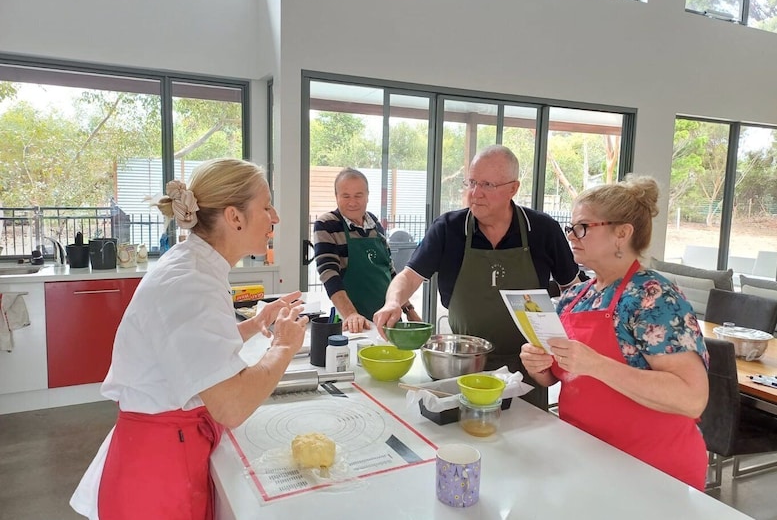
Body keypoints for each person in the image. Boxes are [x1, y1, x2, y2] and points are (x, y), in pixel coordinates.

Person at [70, 159, 308, 519]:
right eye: (266, 206)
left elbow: (193, 350)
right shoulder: (189, 284)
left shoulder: (194, 266)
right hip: (157, 478)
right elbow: (232, 406)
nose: (274, 217)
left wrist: (255, 322)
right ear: (235, 217)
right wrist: (284, 346)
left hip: (166, 453)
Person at [519, 174, 710, 490]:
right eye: (571, 227)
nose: (571, 235)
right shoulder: (575, 296)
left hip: (653, 471)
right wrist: (539, 366)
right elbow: (556, 377)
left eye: (583, 227)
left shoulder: (654, 296)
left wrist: (595, 364)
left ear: (622, 233)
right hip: (586, 458)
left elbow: (691, 397)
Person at [373, 145, 580, 409]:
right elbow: (409, 276)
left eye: (487, 185)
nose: (475, 194)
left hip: (529, 368)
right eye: (471, 182)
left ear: (513, 188)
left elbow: (574, 293)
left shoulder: (542, 230)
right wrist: (392, 302)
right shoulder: (448, 229)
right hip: (462, 367)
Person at [313, 168, 419, 333]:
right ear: (336, 197)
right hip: (357, 326)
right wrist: (351, 315)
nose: (352, 202)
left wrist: (410, 310)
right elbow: (328, 274)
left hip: (390, 320)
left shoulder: (375, 224)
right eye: (346, 196)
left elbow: (390, 272)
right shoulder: (327, 224)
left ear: (367, 196)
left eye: (358, 195)